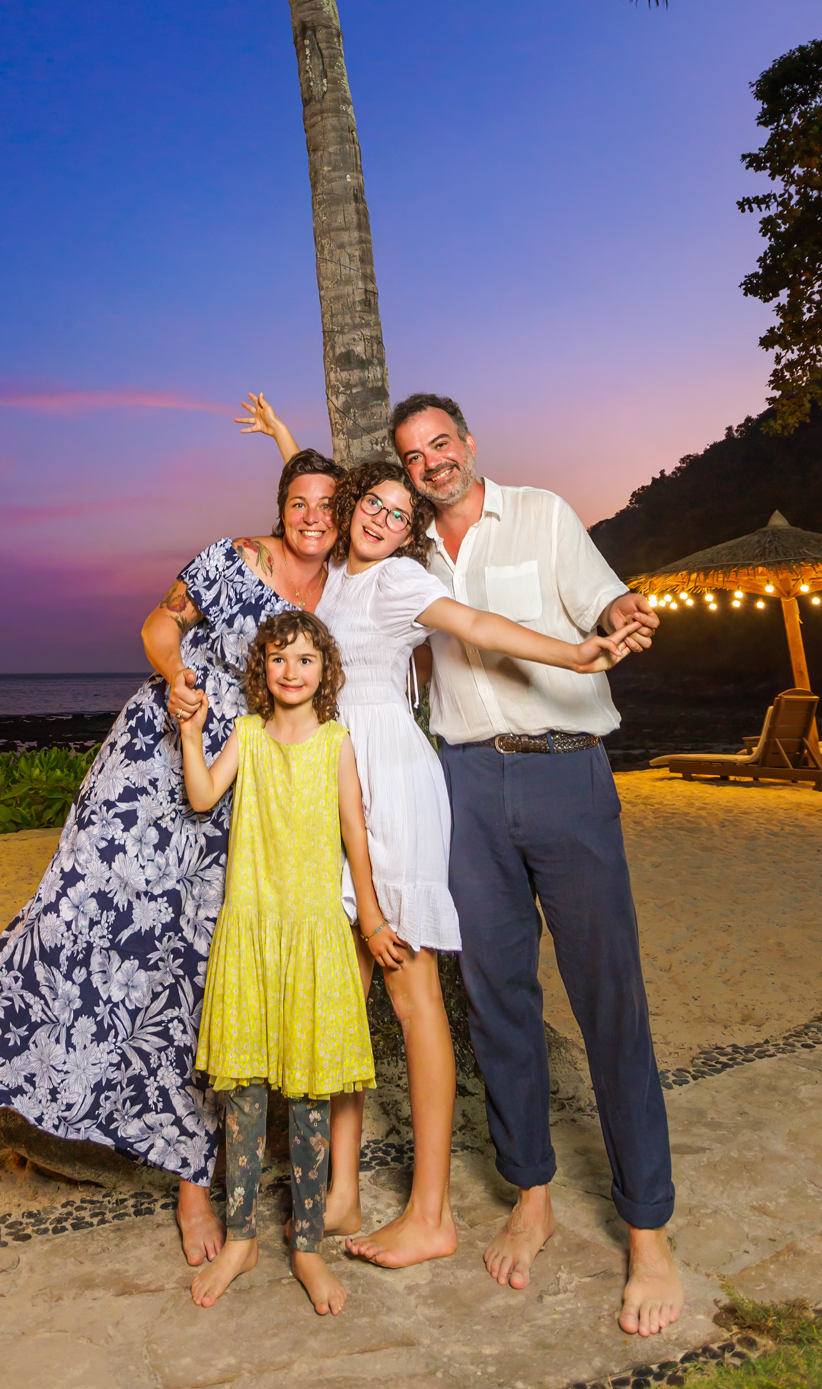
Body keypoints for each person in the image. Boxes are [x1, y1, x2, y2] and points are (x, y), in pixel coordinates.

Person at [0, 437, 343, 1271]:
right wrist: (178, 675)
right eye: (300, 501)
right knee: (67, 916)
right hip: (156, 757)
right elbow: (159, 626)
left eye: (327, 507)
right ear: (280, 506)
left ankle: (193, 1175)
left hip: (243, 785)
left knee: (198, 965)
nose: (314, 518)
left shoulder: (344, 587)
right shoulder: (231, 558)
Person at [391, 393, 682, 1339]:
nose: (433, 461)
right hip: (466, 789)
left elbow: (605, 599)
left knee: (610, 999)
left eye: (442, 443)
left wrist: (628, 612)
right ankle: (532, 1193)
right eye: (415, 454)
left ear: (469, 444)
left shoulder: (544, 513)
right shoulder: (409, 558)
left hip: (567, 775)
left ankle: (648, 1231)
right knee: (498, 1000)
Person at [312, 452, 644, 1273]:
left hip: (391, 780)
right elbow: (309, 496)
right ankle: (343, 1189)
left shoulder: (400, 584)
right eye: (374, 504)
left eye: (399, 514)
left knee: (413, 987)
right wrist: (281, 434)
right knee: (347, 984)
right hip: (336, 780)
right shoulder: (331, 578)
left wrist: (571, 656)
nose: (383, 520)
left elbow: (480, 628)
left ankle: (432, 1215)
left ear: (409, 530)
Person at [180, 609, 392, 1314]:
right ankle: (241, 1240)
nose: (291, 670)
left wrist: (372, 914)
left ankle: (307, 1246)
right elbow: (204, 795)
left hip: (312, 935)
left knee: (307, 1100)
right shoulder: (244, 735)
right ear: (261, 672)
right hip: (251, 932)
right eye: (278, 659)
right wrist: (188, 730)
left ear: (324, 671)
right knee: (242, 1100)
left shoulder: (337, 742)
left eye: (304, 659)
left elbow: (355, 833)